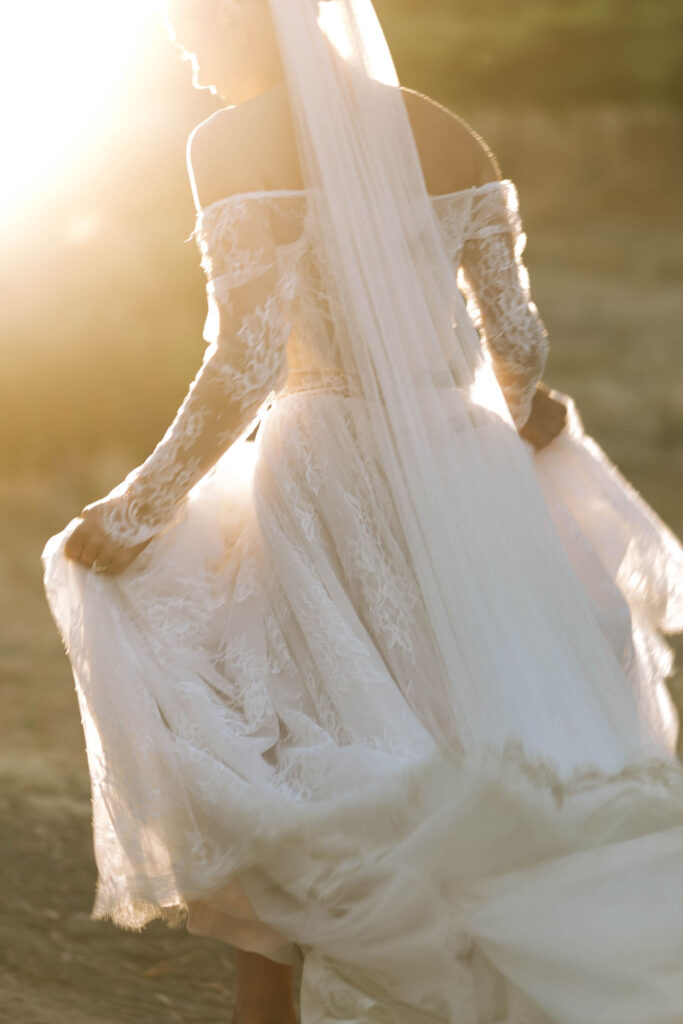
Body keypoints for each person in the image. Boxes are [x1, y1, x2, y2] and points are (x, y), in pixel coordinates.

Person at [42, 0, 683, 1021]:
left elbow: (248, 359)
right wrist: (494, 427)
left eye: (192, 29)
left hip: (327, 474)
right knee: (472, 735)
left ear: (254, 21)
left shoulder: (229, 143)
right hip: (463, 474)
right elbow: (517, 338)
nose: (184, 52)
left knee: (310, 761)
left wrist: (141, 503)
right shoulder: (448, 132)